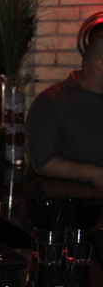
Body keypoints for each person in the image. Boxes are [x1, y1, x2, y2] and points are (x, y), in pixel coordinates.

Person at [25, 27, 103, 190]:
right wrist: (95, 174)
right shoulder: (51, 102)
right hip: (74, 200)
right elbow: (42, 162)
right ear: (101, 65)